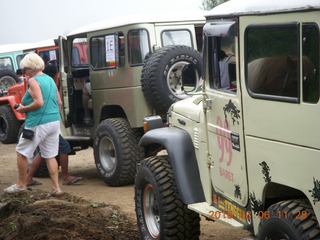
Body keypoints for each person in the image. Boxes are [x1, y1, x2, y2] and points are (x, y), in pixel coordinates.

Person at [3, 53, 62, 196]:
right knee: (50, 155)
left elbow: (39, 102)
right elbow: (59, 102)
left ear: (31, 68)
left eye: (25, 69)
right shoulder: (50, 79)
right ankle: (56, 187)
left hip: (37, 122)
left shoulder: (34, 81)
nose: (25, 72)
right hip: (54, 121)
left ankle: (21, 185)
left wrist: (23, 109)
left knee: (21, 152)